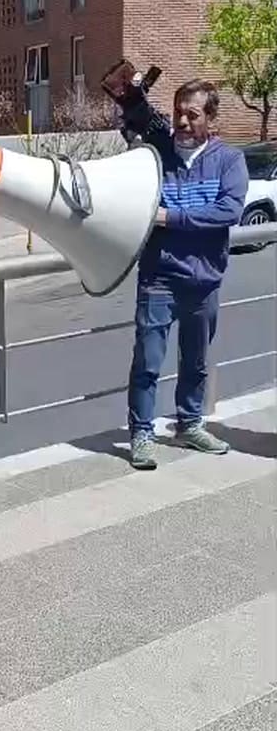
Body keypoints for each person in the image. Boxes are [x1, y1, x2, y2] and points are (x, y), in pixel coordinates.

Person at [126, 79, 249, 470]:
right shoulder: (155, 154)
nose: (181, 120)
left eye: (192, 114)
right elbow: (134, 124)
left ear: (210, 119)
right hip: (158, 277)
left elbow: (228, 212)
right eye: (178, 111)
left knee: (195, 362)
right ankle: (141, 434)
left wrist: (171, 218)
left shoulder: (229, 160)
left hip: (204, 280)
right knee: (147, 361)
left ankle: (190, 424)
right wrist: (129, 102)